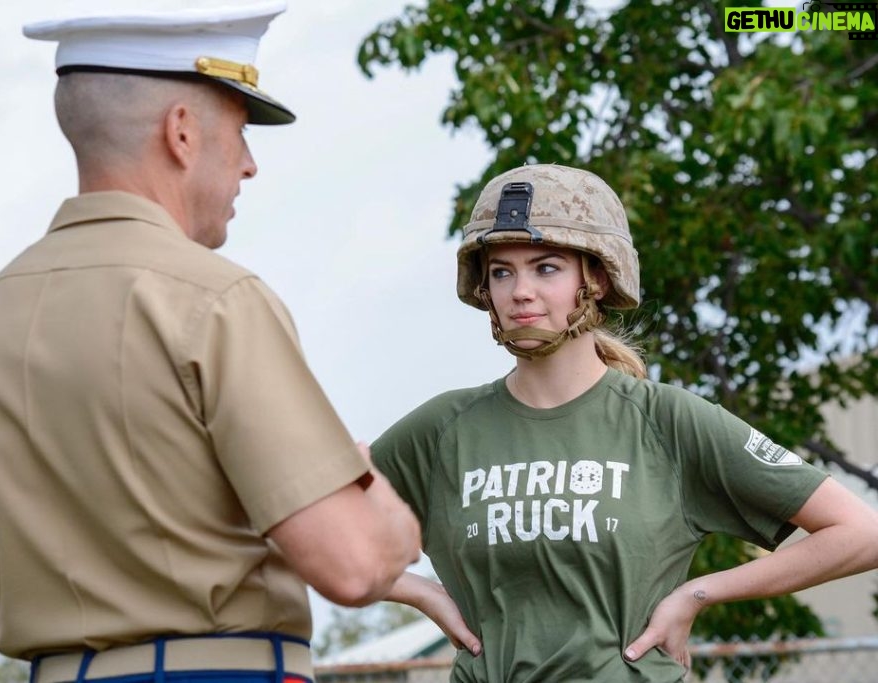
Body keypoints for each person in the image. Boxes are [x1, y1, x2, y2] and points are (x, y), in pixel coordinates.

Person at [0, 4, 421, 682]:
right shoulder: (215, 301)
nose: (251, 166)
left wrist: (95, 590)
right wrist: (372, 488)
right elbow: (353, 564)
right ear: (181, 133)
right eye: (238, 132)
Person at [373, 163, 878, 682]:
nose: (520, 290)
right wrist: (417, 591)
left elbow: (862, 532)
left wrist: (697, 594)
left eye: (546, 267)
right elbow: (297, 522)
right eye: (502, 271)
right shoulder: (443, 430)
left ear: (595, 278)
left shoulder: (664, 419)